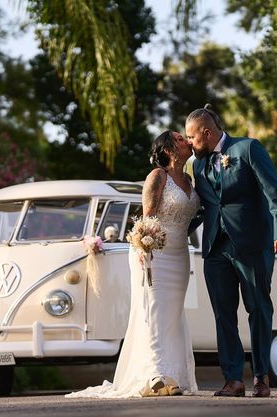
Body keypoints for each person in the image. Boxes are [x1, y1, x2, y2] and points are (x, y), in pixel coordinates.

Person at [66, 131, 200, 398]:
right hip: (153, 253)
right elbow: (146, 217)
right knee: (152, 311)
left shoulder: (189, 180)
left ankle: (173, 376)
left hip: (179, 255)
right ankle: (155, 375)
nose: (187, 139)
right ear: (170, 149)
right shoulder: (157, 177)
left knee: (172, 315)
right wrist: (143, 249)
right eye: (180, 137)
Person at [185, 104, 277, 398]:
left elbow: (275, 192)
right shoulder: (198, 165)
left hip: (251, 244)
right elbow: (206, 206)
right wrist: (170, 232)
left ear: (207, 133)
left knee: (258, 308)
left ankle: (261, 377)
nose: (190, 144)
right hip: (215, 248)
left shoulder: (248, 149)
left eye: (192, 138)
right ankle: (233, 379)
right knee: (223, 315)